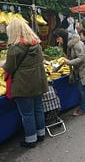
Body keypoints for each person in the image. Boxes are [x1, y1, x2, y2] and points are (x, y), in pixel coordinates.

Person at [3, 19, 48, 148]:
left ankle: (30, 139)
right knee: (38, 109)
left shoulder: (15, 47)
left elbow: (9, 68)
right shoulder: (36, 44)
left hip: (23, 85)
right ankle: (40, 134)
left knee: (27, 114)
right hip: (38, 82)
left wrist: (3, 65)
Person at [63, 34, 85, 116]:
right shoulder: (74, 44)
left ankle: (83, 109)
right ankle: (83, 107)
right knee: (83, 89)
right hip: (83, 69)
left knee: (83, 89)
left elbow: (81, 58)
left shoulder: (77, 44)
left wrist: (69, 62)